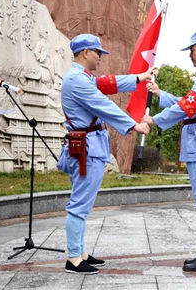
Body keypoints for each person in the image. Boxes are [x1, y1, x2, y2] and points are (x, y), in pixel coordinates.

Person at [57, 34, 153, 275]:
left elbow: (110, 83)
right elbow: (104, 105)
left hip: (90, 146)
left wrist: (140, 78)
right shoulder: (77, 80)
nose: (100, 57)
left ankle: (79, 252)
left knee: (83, 203)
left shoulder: (83, 78)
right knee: (79, 205)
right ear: (85, 52)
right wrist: (134, 125)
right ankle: (73, 259)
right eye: (98, 52)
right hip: (86, 149)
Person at [143, 31, 196, 272]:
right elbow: (188, 101)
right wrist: (162, 95)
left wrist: (153, 120)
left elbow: (187, 106)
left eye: (192, 49)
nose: (190, 54)